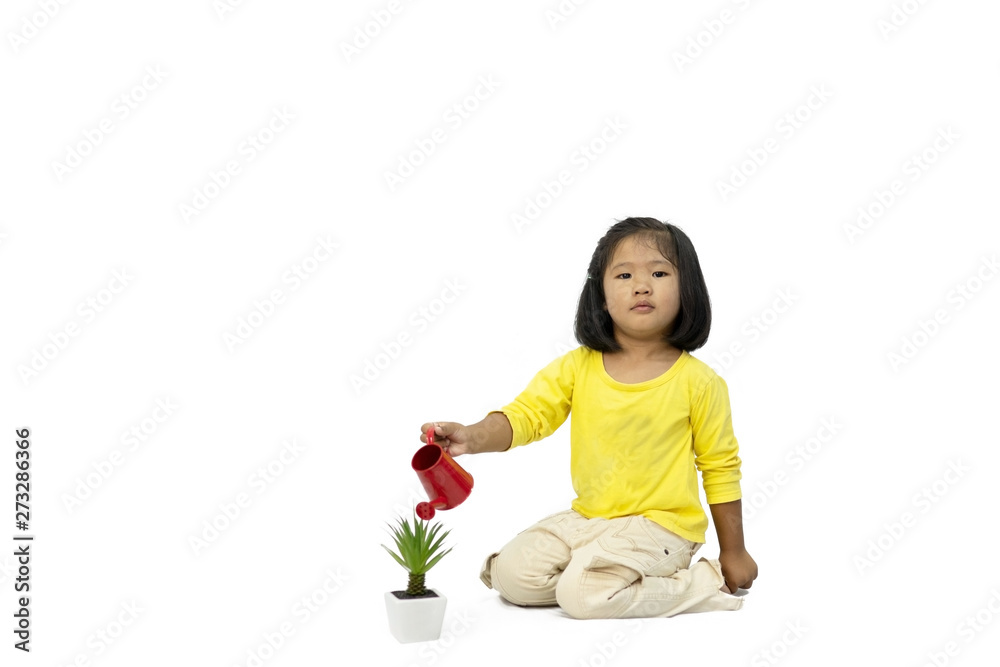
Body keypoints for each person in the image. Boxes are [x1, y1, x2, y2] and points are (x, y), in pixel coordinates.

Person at [419, 217, 757, 619]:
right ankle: (601, 577)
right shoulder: (577, 367)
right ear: (601, 295)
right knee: (511, 577)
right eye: (624, 275)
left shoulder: (700, 382)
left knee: (582, 596)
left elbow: (720, 468)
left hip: (663, 528)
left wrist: (734, 550)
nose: (641, 286)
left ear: (688, 290)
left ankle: (702, 582)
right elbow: (527, 415)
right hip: (589, 519)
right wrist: (472, 437)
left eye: (659, 273)